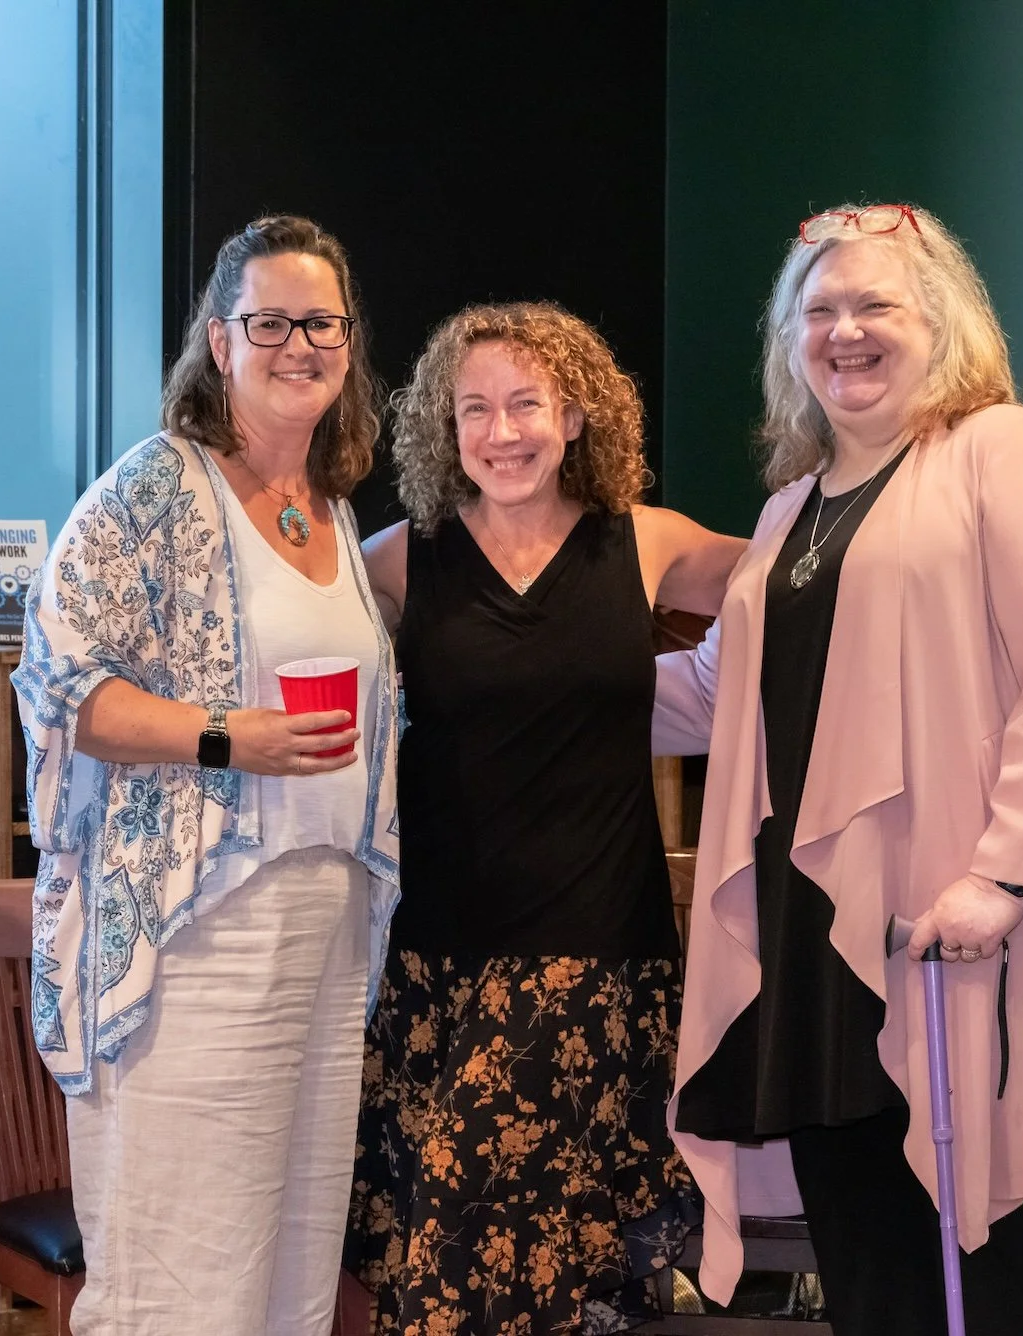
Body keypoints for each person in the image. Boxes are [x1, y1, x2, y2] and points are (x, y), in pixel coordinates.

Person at [652, 203, 1023, 1336]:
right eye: (816, 311)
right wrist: (520, 685)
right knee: (874, 1274)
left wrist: (1004, 875)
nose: (845, 332)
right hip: (818, 942)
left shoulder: (998, 450)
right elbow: (713, 699)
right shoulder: (789, 511)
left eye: (875, 304)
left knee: (1013, 1269)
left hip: (954, 928)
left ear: (942, 322)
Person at [13, 214, 399, 1336]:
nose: (298, 344)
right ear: (218, 343)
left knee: (286, 1270)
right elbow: (62, 685)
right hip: (196, 932)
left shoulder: (329, 507)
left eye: (319, 322)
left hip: (322, 931)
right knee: (184, 1279)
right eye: (267, 320)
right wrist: (230, 734)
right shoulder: (157, 488)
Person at [344, 301, 745, 1334]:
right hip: (436, 967)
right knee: (504, 1272)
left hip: (595, 960)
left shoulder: (645, 544)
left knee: (473, 1269)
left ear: (575, 417)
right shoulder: (396, 561)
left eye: (527, 402)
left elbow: (801, 574)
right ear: (445, 426)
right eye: (473, 407)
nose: (502, 430)